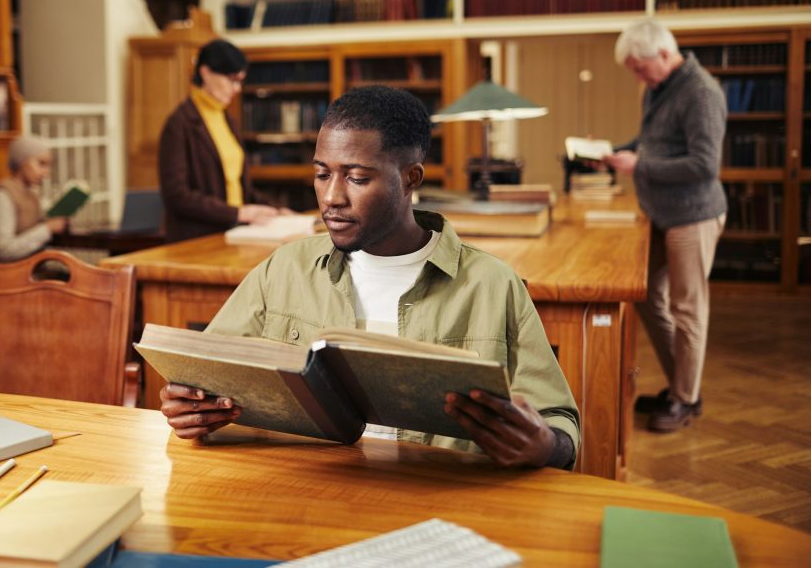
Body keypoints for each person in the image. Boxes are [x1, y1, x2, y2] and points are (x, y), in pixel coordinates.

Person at [159, 85, 580, 469]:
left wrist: (544, 445)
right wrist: (191, 407)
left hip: (439, 507)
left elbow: (560, 429)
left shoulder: (491, 285)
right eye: (322, 174)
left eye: (357, 178)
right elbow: (203, 380)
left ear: (410, 178)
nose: (331, 197)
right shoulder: (282, 270)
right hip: (302, 496)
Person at [603, 18, 727, 433]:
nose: (638, 77)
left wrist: (640, 164)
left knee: (687, 308)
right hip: (659, 213)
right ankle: (679, 384)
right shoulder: (659, 87)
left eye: (639, 68)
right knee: (645, 295)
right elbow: (650, 142)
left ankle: (687, 399)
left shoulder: (701, 92)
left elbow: (704, 166)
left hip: (693, 214)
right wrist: (611, 153)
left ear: (662, 53)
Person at [158, 38, 289, 242]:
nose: (237, 89)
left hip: (234, 232)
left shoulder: (228, 120)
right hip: (197, 239)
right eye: (232, 79)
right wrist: (238, 213)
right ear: (205, 72)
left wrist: (277, 210)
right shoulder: (179, 124)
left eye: (240, 81)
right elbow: (177, 195)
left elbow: (239, 189)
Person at [0, 136, 68, 262]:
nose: (46, 173)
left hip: (26, 273)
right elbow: (4, 250)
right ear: (21, 162)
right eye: (41, 164)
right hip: (0, 277)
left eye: (48, 166)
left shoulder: (31, 195)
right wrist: (47, 229)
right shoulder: (1, 196)